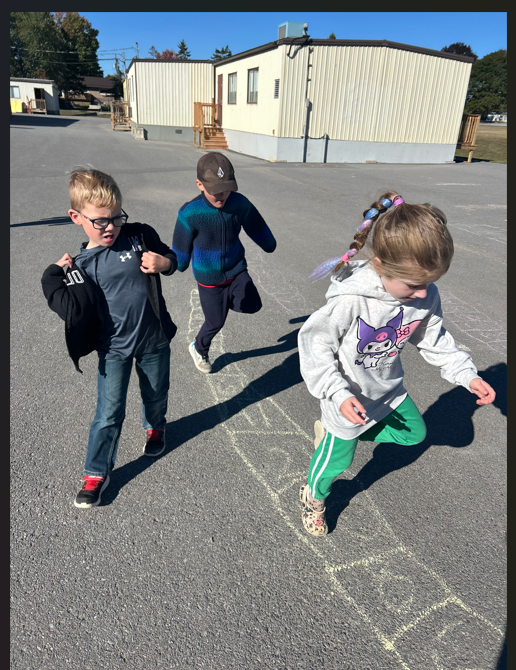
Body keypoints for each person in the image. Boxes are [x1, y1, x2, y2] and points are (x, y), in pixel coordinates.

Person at [298, 191, 496, 536]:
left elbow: (434, 340)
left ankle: (335, 438)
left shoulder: (424, 295)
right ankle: (313, 496)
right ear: (379, 267)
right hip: (347, 397)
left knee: (414, 434)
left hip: (388, 391)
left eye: (429, 284)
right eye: (413, 285)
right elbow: (314, 346)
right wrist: (337, 393)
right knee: (337, 462)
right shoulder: (351, 301)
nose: (423, 294)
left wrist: (466, 374)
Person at [41, 167, 178, 508]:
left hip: (153, 340)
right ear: (77, 217)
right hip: (113, 350)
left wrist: (166, 263)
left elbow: (172, 258)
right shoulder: (81, 266)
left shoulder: (139, 236)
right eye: (100, 221)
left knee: (156, 393)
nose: (111, 227)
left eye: (117, 218)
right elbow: (63, 304)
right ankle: (96, 472)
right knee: (108, 412)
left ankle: (155, 426)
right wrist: (53, 273)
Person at [172, 152, 276, 373]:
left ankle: (223, 301)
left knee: (253, 304)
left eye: (226, 189)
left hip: (236, 268)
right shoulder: (190, 212)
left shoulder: (239, 203)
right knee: (215, 322)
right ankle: (199, 348)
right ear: (199, 184)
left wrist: (268, 243)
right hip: (209, 278)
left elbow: (255, 224)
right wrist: (174, 263)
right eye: (214, 191)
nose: (221, 195)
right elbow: (180, 253)